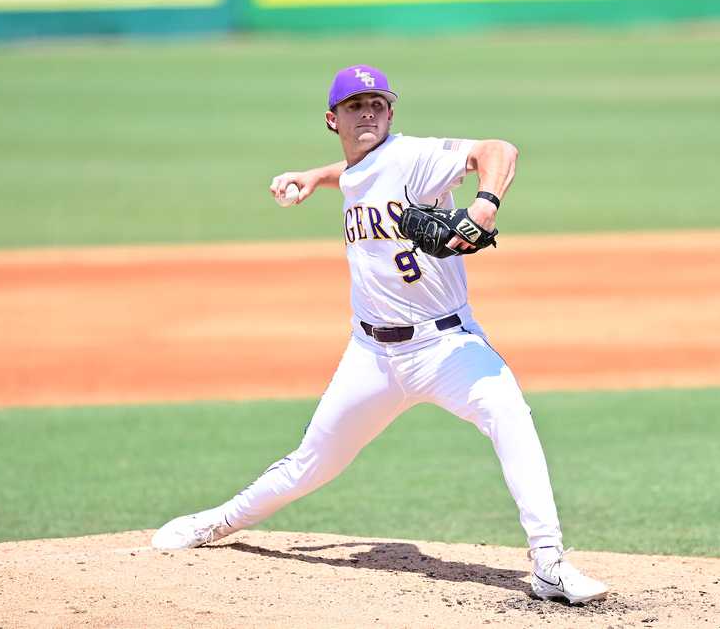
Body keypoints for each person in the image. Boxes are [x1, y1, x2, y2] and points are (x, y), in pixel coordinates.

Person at [151, 64, 609, 604]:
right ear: (332, 119)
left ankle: (549, 563)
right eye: (354, 106)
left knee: (508, 413)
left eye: (376, 105)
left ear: (391, 114)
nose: (366, 113)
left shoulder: (414, 157)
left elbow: (499, 150)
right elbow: (354, 172)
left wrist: (483, 207)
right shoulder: (355, 168)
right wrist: (313, 177)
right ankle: (216, 523)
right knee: (311, 464)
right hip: (370, 355)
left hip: (446, 347)